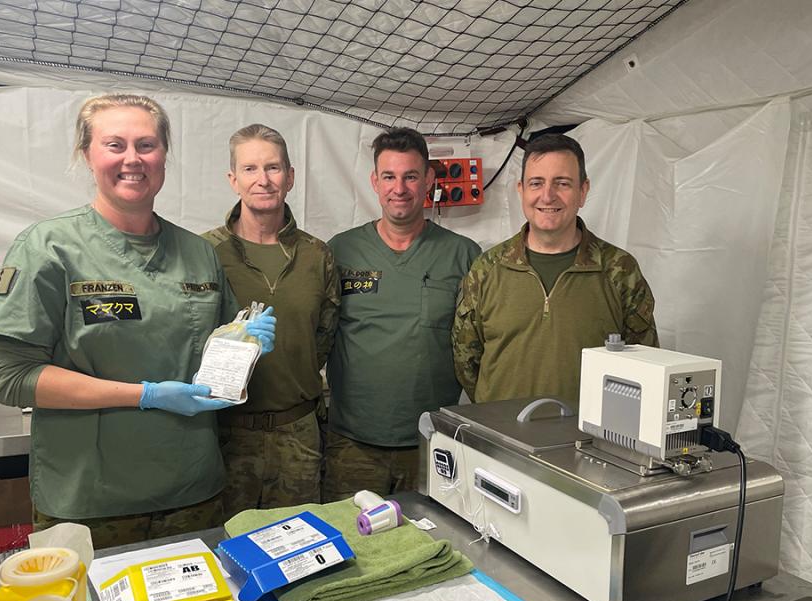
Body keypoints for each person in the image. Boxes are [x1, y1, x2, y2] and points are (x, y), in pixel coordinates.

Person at [0, 94, 275, 549]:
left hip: (191, 492)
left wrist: (242, 344)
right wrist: (147, 396)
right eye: (114, 145)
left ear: (163, 156)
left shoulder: (197, 254)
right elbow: (13, 378)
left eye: (146, 145)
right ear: (87, 154)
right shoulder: (48, 248)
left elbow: (209, 358)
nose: (132, 159)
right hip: (89, 501)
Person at [324, 127, 481, 501]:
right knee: (353, 544)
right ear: (374, 182)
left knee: (433, 543)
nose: (400, 188)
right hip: (352, 445)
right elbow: (317, 333)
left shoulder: (464, 255)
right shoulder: (340, 251)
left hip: (432, 443)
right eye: (390, 177)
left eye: (411, 176)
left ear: (428, 179)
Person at [452, 133, 658, 409]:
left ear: (583, 191)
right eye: (536, 183)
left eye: (562, 183)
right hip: (501, 440)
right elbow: (467, 360)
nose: (547, 195)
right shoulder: (487, 269)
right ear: (521, 190)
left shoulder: (619, 270)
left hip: (587, 443)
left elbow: (643, 363)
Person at [203, 124, 339, 512]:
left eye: (273, 168)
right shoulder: (204, 253)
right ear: (233, 179)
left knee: (298, 549)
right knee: (226, 551)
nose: (262, 180)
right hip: (227, 436)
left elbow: (324, 339)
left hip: (298, 435)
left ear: (290, 177)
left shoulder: (318, 255)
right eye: (250, 169)